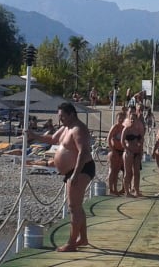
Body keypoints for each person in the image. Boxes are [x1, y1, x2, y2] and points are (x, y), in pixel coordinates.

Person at [29, 102, 94, 252]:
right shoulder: (66, 127)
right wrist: (34, 136)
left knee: (73, 207)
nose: (60, 119)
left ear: (72, 114)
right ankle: (83, 238)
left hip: (81, 169)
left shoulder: (78, 129)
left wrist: (75, 174)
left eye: (62, 116)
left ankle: (71, 243)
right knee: (77, 205)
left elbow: (83, 152)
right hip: (72, 170)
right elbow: (52, 139)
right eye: (59, 117)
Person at [121, 105, 146, 197]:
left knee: (137, 173)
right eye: (131, 119)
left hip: (137, 152)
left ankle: (137, 190)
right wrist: (127, 149)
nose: (132, 121)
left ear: (136, 120)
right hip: (128, 152)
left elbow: (142, 140)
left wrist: (141, 150)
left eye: (134, 119)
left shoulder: (138, 130)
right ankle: (127, 192)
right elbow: (122, 141)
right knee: (128, 172)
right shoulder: (126, 129)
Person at [106, 109, 126, 195]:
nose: (121, 120)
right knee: (112, 170)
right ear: (117, 119)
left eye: (122, 118)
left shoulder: (124, 128)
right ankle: (111, 189)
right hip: (114, 151)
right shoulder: (115, 127)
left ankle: (116, 189)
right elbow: (108, 138)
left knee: (117, 171)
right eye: (119, 118)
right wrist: (113, 150)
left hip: (121, 151)